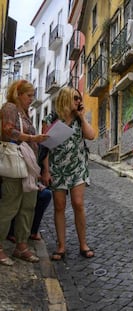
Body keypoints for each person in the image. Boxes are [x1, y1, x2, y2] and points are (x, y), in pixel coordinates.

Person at [42, 87, 96, 261]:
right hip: (57, 167)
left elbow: (91, 136)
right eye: (75, 98)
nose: (78, 101)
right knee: (59, 206)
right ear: (65, 98)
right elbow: (45, 147)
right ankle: (61, 246)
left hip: (77, 166)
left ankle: (83, 244)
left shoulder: (79, 120)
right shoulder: (50, 119)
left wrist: (81, 117)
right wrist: (45, 170)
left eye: (79, 98)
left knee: (78, 204)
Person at [0, 79, 49, 266]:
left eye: (33, 96)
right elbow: (7, 132)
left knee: (27, 208)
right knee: (9, 207)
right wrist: (32, 137)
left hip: (28, 168)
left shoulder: (25, 114)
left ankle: (21, 247)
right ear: (18, 93)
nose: (31, 99)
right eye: (29, 96)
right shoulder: (10, 108)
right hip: (13, 166)